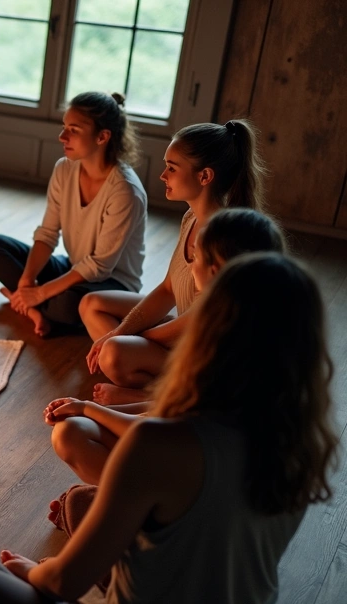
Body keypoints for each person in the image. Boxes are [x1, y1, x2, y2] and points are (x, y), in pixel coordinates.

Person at [0, 253, 338, 604]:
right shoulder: (301, 447)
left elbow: (62, 583)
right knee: (83, 503)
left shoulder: (160, 440)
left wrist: (34, 575)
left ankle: (98, 590)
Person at [45, 207, 286, 485]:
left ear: (215, 270)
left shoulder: (226, 347)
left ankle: (136, 505)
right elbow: (169, 412)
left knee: (69, 433)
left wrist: (88, 410)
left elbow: (155, 430)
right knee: (73, 428)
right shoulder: (246, 325)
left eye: (195, 256)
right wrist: (86, 407)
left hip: (203, 479)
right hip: (189, 450)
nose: (190, 266)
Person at [79, 119, 266, 404]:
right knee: (91, 304)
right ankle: (152, 377)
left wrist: (137, 338)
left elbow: (202, 318)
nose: (162, 175)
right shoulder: (191, 217)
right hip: (182, 333)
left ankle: (158, 396)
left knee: (114, 353)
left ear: (205, 176)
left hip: (207, 354)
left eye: (172, 168)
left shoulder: (225, 238)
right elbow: (168, 288)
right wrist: (121, 332)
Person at [0, 92, 147, 336]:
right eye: (64, 127)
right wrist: (27, 281)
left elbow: (100, 266)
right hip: (74, 267)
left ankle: (31, 305)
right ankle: (33, 308)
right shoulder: (64, 169)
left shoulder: (125, 191)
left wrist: (40, 292)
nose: (62, 136)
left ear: (102, 137)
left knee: (68, 305)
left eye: (74, 130)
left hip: (113, 283)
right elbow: (48, 233)